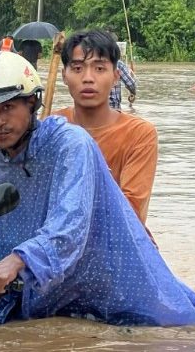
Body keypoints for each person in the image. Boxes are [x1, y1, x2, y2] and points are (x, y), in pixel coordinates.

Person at [0, 50, 195, 327]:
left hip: (113, 288)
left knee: (174, 335)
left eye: (7, 108)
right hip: (47, 298)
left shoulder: (70, 144)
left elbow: (70, 226)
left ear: (31, 103)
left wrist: (17, 261)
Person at [54, 30, 157, 226]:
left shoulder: (140, 134)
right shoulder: (52, 126)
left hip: (116, 241)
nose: (88, 78)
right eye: (77, 69)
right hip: (56, 240)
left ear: (116, 76)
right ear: (64, 76)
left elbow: (131, 211)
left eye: (99, 69)